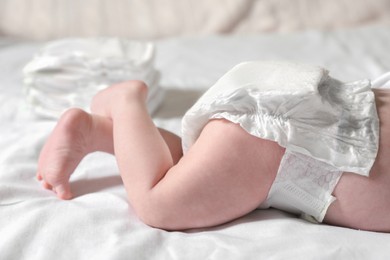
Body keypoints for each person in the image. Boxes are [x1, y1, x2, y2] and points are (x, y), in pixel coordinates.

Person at [36, 61, 390, 232]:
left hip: (294, 123)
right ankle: (124, 103)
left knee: (186, 170)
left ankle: (99, 132)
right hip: (280, 142)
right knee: (157, 203)